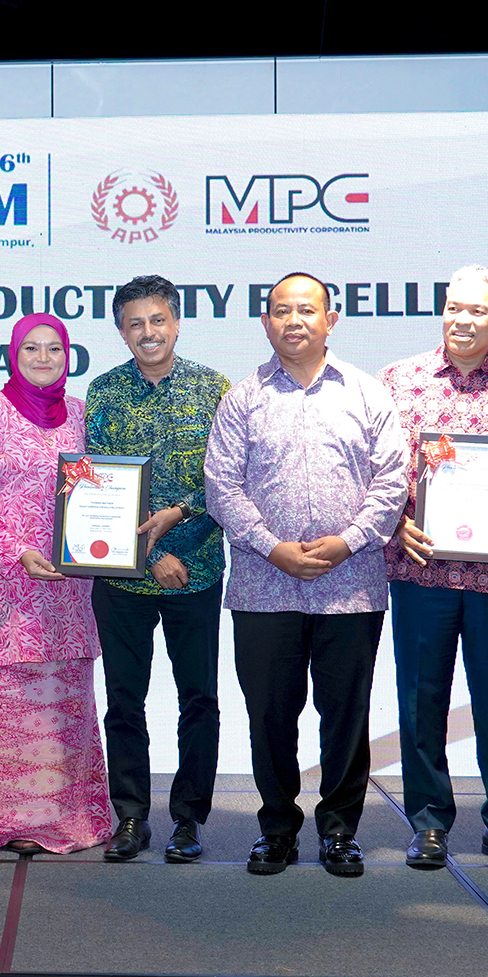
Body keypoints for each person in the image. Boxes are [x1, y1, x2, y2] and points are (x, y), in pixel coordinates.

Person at [204, 272, 406, 877]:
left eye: (306, 310)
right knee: (269, 715)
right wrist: (272, 548)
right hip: (264, 590)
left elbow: (394, 480)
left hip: (353, 587)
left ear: (330, 318)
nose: (294, 321)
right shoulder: (243, 398)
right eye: (280, 311)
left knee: (346, 715)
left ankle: (340, 829)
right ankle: (277, 828)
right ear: (265, 321)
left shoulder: (368, 394)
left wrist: (349, 542)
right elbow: (221, 486)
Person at [380, 265, 488, 872]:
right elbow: (376, 476)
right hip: (419, 567)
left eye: (477, 311)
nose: (462, 320)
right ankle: (428, 824)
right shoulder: (398, 382)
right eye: (454, 307)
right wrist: (394, 524)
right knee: (420, 701)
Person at [0, 313, 112, 855]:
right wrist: (18, 553)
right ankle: (5, 822)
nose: (43, 359)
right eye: (31, 350)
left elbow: (103, 494)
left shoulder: (84, 416)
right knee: (3, 703)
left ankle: (65, 821)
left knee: (63, 702)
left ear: (68, 357)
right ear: (12, 356)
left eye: (54, 350)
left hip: (66, 587)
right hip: (1, 587)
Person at [83, 275, 228, 864]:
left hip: (197, 574)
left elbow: (226, 484)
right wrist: (150, 556)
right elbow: (91, 488)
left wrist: (179, 524)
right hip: (123, 577)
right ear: (121, 331)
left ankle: (189, 820)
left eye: (158, 320)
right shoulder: (103, 393)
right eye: (135, 324)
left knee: (199, 699)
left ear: (176, 322)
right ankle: (131, 816)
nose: (148, 332)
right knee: (124, 700)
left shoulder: (214, 390)